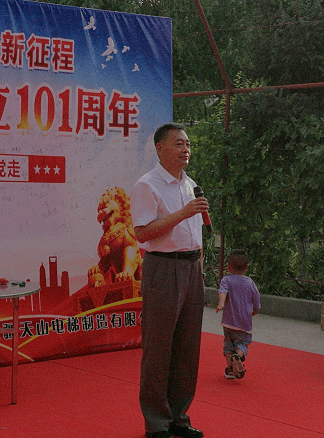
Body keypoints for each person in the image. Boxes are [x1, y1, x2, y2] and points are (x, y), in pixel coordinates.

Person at [130, 122, 208, 438]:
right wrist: (184, 213)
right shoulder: (147, 185)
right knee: (159, 347)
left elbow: (195, 233)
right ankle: (156, 422)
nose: (185, 149)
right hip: (163, 268)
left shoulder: (190, 185)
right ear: (160, 148)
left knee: (187, 348)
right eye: (178, 143)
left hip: (192, 269)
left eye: (187, 144)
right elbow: (143, 233)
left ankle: (178, 416)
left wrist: (200, 267)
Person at [215, 249, 261, 379]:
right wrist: (256, 309)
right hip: (244, 322)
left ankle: (230, 369)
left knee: (228, 346)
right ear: (246, 267)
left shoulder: (226, 280)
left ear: (228, 266)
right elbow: (256, 297)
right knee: (242, 344)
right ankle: (238, 355)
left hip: (228, 322)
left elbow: (222, 291)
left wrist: (221, 303)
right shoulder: (250, 282)